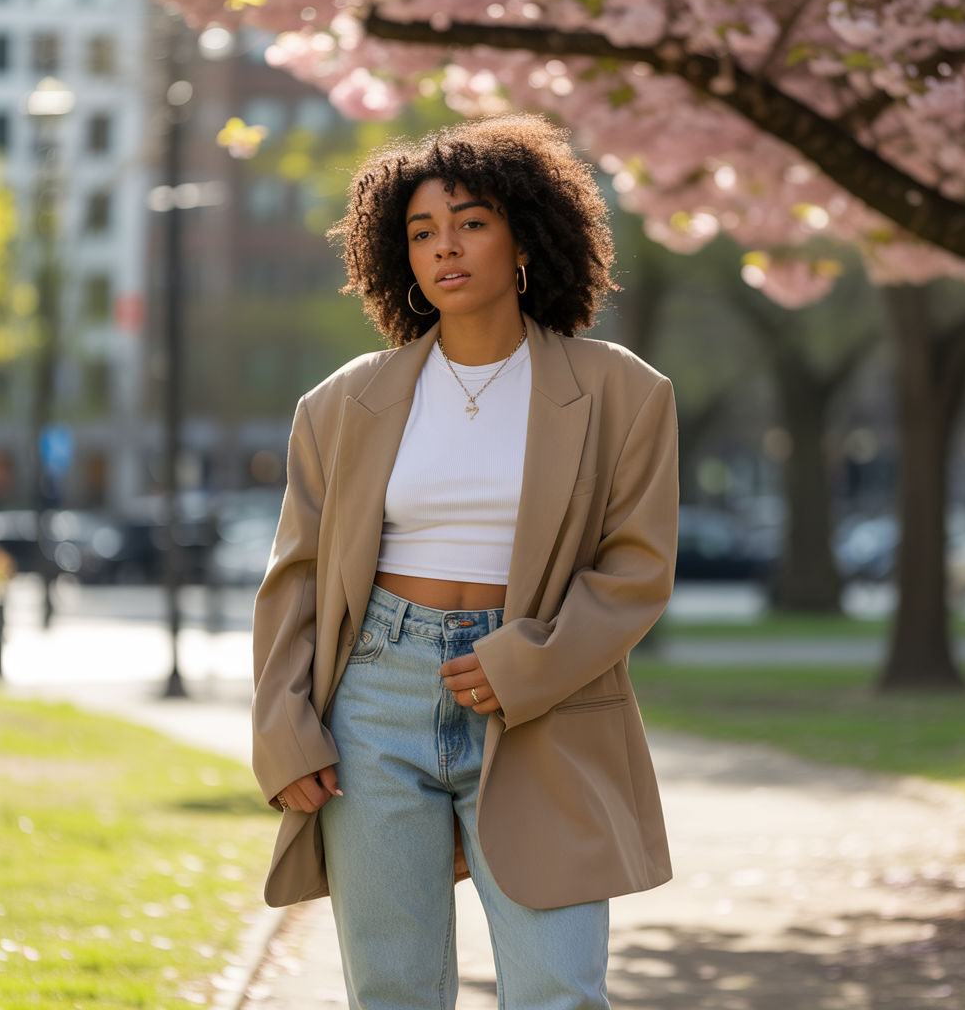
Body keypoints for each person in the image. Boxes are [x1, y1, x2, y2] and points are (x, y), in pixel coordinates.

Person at [252, 113, 679, 1010]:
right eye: (421, 231)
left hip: (541, 706)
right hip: (373, 703)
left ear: (525, 237)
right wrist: (283, 729)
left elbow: (635, 571)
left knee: (559, 987)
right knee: (394, 991)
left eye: (471, 222)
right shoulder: (341, 405)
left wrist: (522, 663)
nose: (445, 247)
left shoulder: (623, 393)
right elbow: (295, 581)